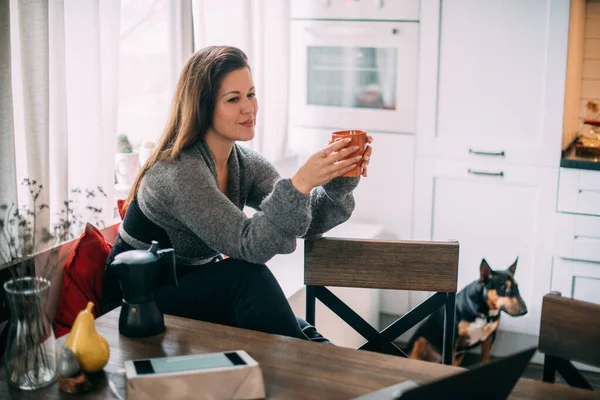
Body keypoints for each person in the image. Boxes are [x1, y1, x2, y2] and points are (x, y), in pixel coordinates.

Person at [100, 46, 373, 343]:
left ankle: (342, 380)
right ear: (203, 108)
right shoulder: (178, 172)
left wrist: (339, 179)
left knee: (301, 331)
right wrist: (300, 184)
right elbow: (250, 245)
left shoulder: (243, 163)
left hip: (191, 288)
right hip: (135, 302)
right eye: (233, 99)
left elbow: (306, 222)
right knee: (248, 277)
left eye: (251, 95)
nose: (249, 108)